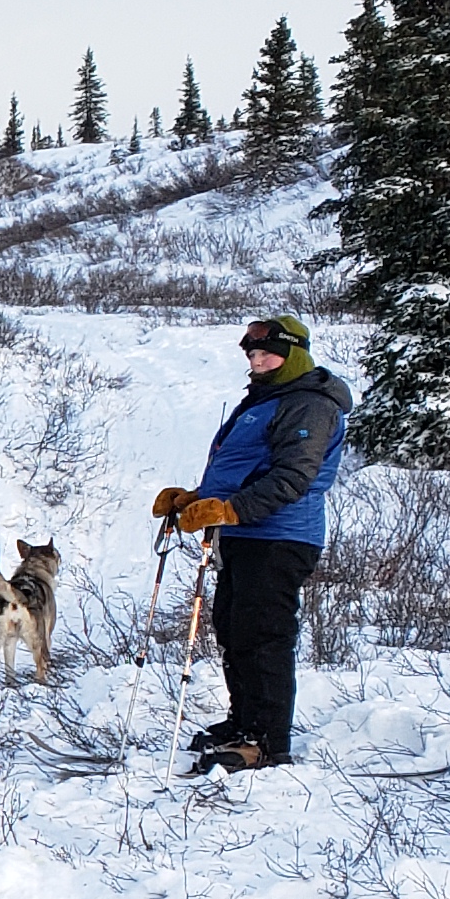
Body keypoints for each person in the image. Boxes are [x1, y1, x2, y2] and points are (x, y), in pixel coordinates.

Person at [149, 313, 355, 775]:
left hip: (280, 535)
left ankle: (265, 740)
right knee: (234, 628)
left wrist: (229, 509)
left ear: (294, 355)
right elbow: (243, 470)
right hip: (244, 535)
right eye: (253, 353)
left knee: (264, 635)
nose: (258, 360)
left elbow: (293, 478)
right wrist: (196, 499)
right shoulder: (264, 399)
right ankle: (243, 723)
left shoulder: (308, 404)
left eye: (268, 353)